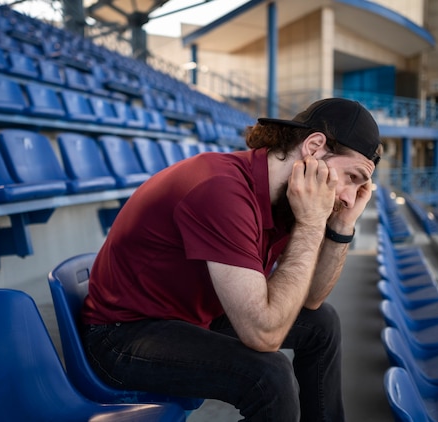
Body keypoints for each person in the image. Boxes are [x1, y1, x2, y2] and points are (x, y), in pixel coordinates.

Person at [81, 97, 383, 421]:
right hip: (123, 335)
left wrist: (341, 224)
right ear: (314, 147)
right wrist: (311, 224)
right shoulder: (222, 188)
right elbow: (263, 335)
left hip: (193, 317)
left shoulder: (285, 197)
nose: (350, 196)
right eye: (351, 177)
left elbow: (310, 298)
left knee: (322, 324)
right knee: (269, 376)